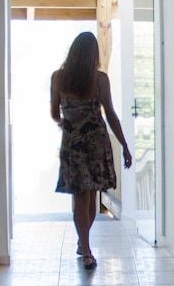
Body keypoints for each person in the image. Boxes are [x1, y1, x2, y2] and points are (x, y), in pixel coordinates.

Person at [50, 31, 132, 269]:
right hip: (96, 143)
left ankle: (83, 243)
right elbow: (111, 115)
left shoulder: (58, 78)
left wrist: (67, 123)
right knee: (90, 199)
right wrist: (124, 145)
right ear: (93, 54)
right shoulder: (100, 80)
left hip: (73, 143)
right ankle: (86, 249)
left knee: (82, 198)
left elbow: (54, 113)